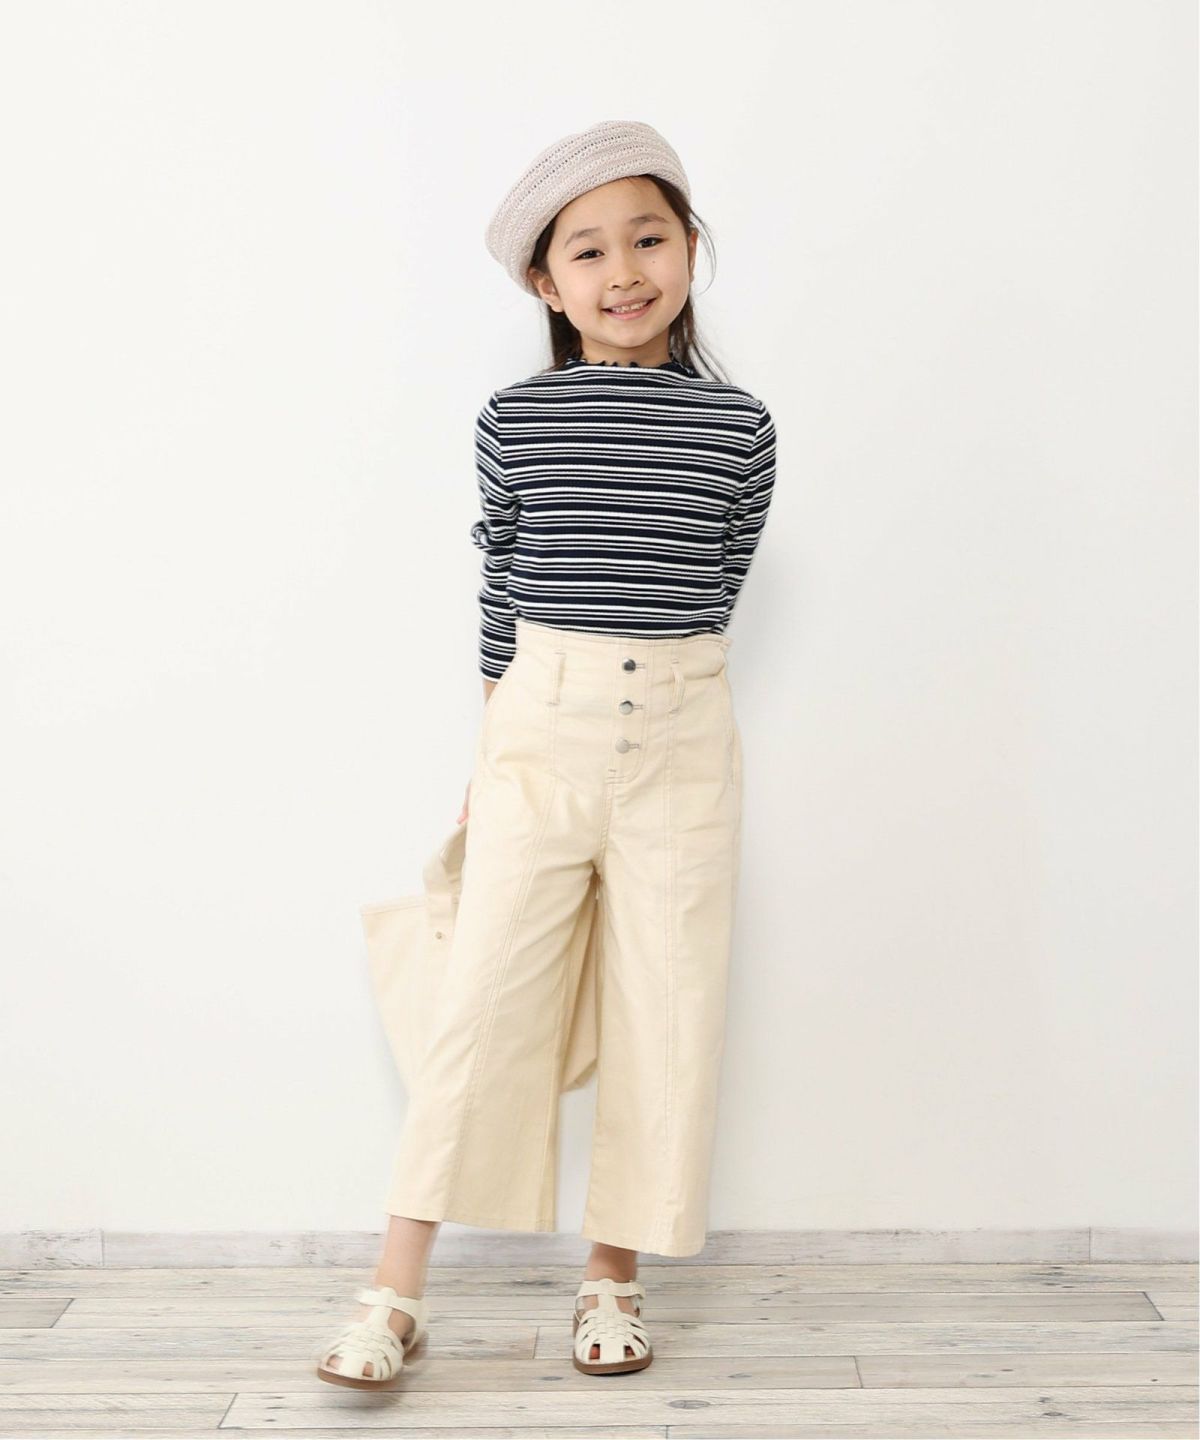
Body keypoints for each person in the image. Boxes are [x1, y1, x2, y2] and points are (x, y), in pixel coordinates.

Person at [315, 119, 776, 1388]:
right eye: (588, 250)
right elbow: (503, 586)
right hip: (540, 726)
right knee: (480, 1003)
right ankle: (394, 1290)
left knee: (667, 1008)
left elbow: (717, 584)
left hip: (684, 736)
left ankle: (612, 1278)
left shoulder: (741, 427)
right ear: (545, 281)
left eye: (649, 238)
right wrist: (494, 754)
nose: (624, 271)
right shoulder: (514, 418)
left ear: (690, 249)